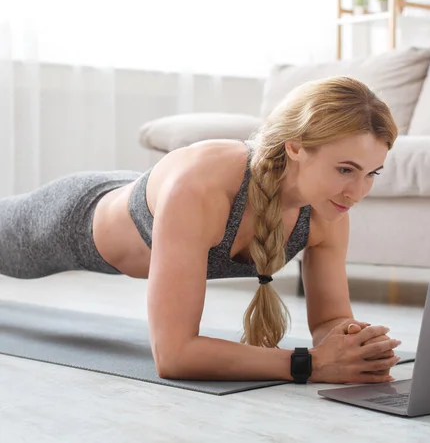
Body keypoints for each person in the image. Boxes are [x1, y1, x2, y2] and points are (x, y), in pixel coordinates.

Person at [0, 76, 402, 384]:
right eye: (346, 169)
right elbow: (173, 355)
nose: (357, 192)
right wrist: (308, 365)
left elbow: (329, 320)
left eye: (371, 174)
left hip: (148, 193)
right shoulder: (201, 191)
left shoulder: (328, 209)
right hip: (74, 218)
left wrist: (353, 345)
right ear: (295, 146)